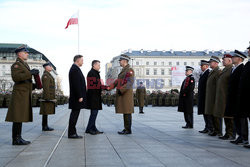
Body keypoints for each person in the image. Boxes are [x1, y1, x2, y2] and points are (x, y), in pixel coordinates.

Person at [5, 45, 39, 145]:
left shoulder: (24, 64)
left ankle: (18, 137)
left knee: (19, 117)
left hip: (24, 93)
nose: (27, 54)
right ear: (19, 54)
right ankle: (16, 139)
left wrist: (34, 85)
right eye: (25, 52)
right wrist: (30, 73)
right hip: (19, 94)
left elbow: (25, 80)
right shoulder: (16, 65)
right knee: (17, 117)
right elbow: (16, 78)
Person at [108, 54, 135, 135]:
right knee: (125, 111)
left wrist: (121, 90)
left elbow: (130, 82)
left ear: (124, 61)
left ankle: (128, 129)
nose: (119, 62)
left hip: (126, 94)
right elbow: (117, 81)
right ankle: (126, 128)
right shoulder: (124, 70)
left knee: (127, 111)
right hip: (123, 93)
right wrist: (109, 87)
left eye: (120, 60)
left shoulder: (129, 70)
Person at [225, 50, 247, 145]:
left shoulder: (242, 68)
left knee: (241, 119)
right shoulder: (235, 68)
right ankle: (240, 136)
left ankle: (244, 137)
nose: (232, 58)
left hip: (239, 98)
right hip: (233, 98)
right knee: (236, 118)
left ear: (239, 59)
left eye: (234, 57)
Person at [213, 54, 234, 140]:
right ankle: (227, 133)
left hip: (226, 97)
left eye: (224, 60)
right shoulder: (225, 70)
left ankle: (231, 134)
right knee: (225, 116)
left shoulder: (231, 70)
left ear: (229, 61)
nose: (222, 61)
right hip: (222, 97)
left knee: (229, 117)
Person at [68, 55, 87, 139]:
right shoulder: (75, 69)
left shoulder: (75, 69)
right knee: (74, 115)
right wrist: (80, 95)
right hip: (76, 97)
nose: (83, 62)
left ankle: (72, 132)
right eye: (82, 60)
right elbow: (76, 84)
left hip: (77, 96)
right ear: (77, 60)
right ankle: (72, 133)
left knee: (75, 114)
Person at [86, 60, 105, 135]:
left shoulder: (95, 73)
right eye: (98, 65)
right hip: (93, 97)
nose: (100, 67)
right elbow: (94, 86)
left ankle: (92, 128)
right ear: (94, 65)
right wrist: (105, 88)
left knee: (94, 113)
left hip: (95, 96)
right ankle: (90, 129)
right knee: (94, 113)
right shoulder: (92, 73)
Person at [205, 56, 222, 136]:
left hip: (214, 97)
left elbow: (218, 86)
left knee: (216, 115)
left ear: (216, 63)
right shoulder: (212, 71)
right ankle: (215, 130)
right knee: (211, 114)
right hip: (210, 97)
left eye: (210, 62)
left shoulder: (218, 71)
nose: (209, 63)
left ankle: (218, 131)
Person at [239, 43, 250, 148]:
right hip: (245, 97)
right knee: (244, 118)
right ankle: (244, 138)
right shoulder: (248, 64)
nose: (248, 51)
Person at [40, 62, 56, 131]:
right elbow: (46, 88)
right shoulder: (45, 75)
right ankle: (44, 126)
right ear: (46, 67)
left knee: (46, 112)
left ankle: (45, 125)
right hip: (47, 96)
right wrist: (47, 98)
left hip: (49, 96)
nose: (51, 67)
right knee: (45, 112)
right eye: (50, 66)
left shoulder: (48, 74)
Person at [197, 60, 212, 133]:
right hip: (203, 96)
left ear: (206, 66)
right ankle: (207, 127)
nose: (201, 67)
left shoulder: (208, 73)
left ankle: (209, 127)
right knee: (204, 112)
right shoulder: (203, 73)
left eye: (202, 66)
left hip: (206, 96)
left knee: (207, 113)